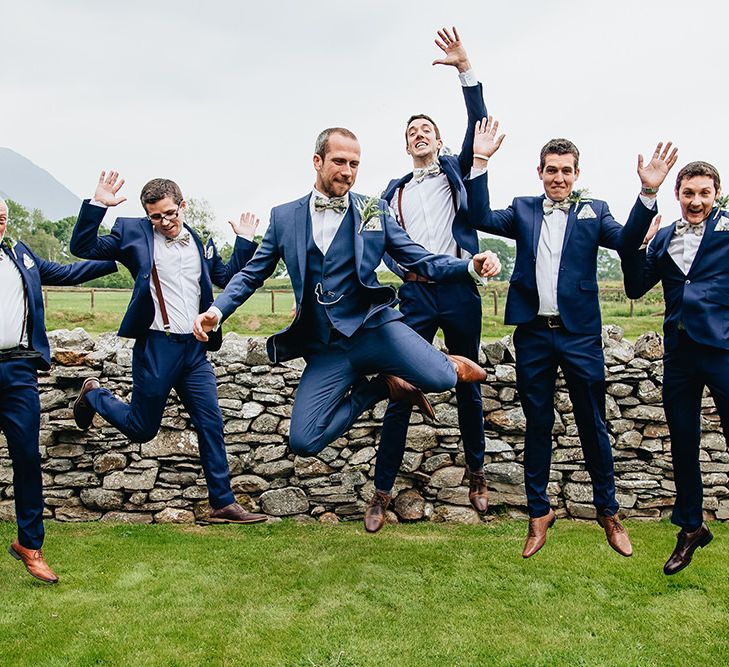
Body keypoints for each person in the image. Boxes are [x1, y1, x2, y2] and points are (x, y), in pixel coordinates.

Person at [192, 127, 501, 468]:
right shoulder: (283, 217)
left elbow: (418, 257)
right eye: (339, 161)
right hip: (327, 346)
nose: (348, 171)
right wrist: (218, 312)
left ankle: (443, 364)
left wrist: (467, 266)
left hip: (374, 330)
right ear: (317, 161)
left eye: (355, 163)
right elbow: (252, 274)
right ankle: (381, 386)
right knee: (304, 440)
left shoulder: (373, 209)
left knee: (442, 379)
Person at [465, 120, 678, 557]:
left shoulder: (594, 210)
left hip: (580, 336)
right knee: (538, 426)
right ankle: (538, 514)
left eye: (566, 170)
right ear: (539, 172)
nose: (558, 178)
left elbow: (627, 241)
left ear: (576, 173)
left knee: (592, 425)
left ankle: (608, 512)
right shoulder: (523, 209)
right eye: (551, 170)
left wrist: (648, 195)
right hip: (534, 336)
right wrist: (481, 160)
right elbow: (479, 215)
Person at [69, 173, 266, 524]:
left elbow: (226, 278)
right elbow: (83, 246)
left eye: (171, 213)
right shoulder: (133, 234)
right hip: (156, 347)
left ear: (183, 205)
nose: (165, 222)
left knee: (211, 423)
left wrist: (245, 241)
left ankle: (222, 502)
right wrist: (98, 204)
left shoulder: (201, 244)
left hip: (194, 350)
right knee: (142, 428)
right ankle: (95, 394)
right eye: (156, 216)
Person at [367, 27, 490, 533]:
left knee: (468, 385)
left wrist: (466, 70)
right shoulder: (390, 193)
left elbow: (479, 124)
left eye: (426, 130)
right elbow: (384, 246)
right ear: (406, 144)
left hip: (460, 293)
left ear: (438, 141)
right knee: (401, 386)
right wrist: (403, 273)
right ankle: (381, 492)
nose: (419, 134)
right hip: (415, 294)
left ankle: (477, 475)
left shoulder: (455, 174)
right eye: (412, 131)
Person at [0, 197, 117, 583]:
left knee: (27, 460)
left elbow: (68, 273)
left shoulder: (21, 255)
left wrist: (122, 256)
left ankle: (30, 546)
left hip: (18, 371)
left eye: (2, 217)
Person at [621, 161, 728, 575]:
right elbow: (633, 287)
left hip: (723, 350)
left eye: (704, 193)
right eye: (688, 193)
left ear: (715, 193)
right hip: (680, 355)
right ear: (677, 195)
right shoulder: (664, 238)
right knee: (683, 443)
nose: (696, 201)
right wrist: (636, 246)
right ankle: (690, 527)